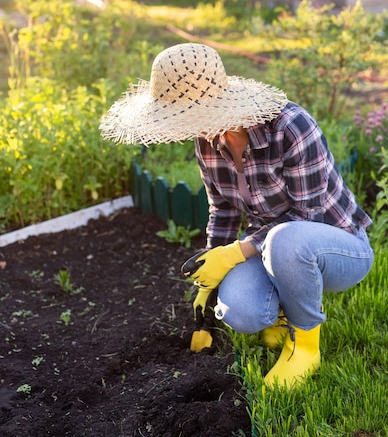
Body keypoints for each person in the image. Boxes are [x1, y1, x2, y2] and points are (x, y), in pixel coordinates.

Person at [100, 42, 374, 389]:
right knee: (241, 312)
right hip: (270, 247)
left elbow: (307, 216)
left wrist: (236, 253)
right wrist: (211, 271)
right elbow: (224, 210)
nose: (189, 129)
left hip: (336, 246)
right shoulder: (208, 141)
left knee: (286, 238)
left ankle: (304, 346)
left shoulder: (291, 127)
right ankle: (278, 314)